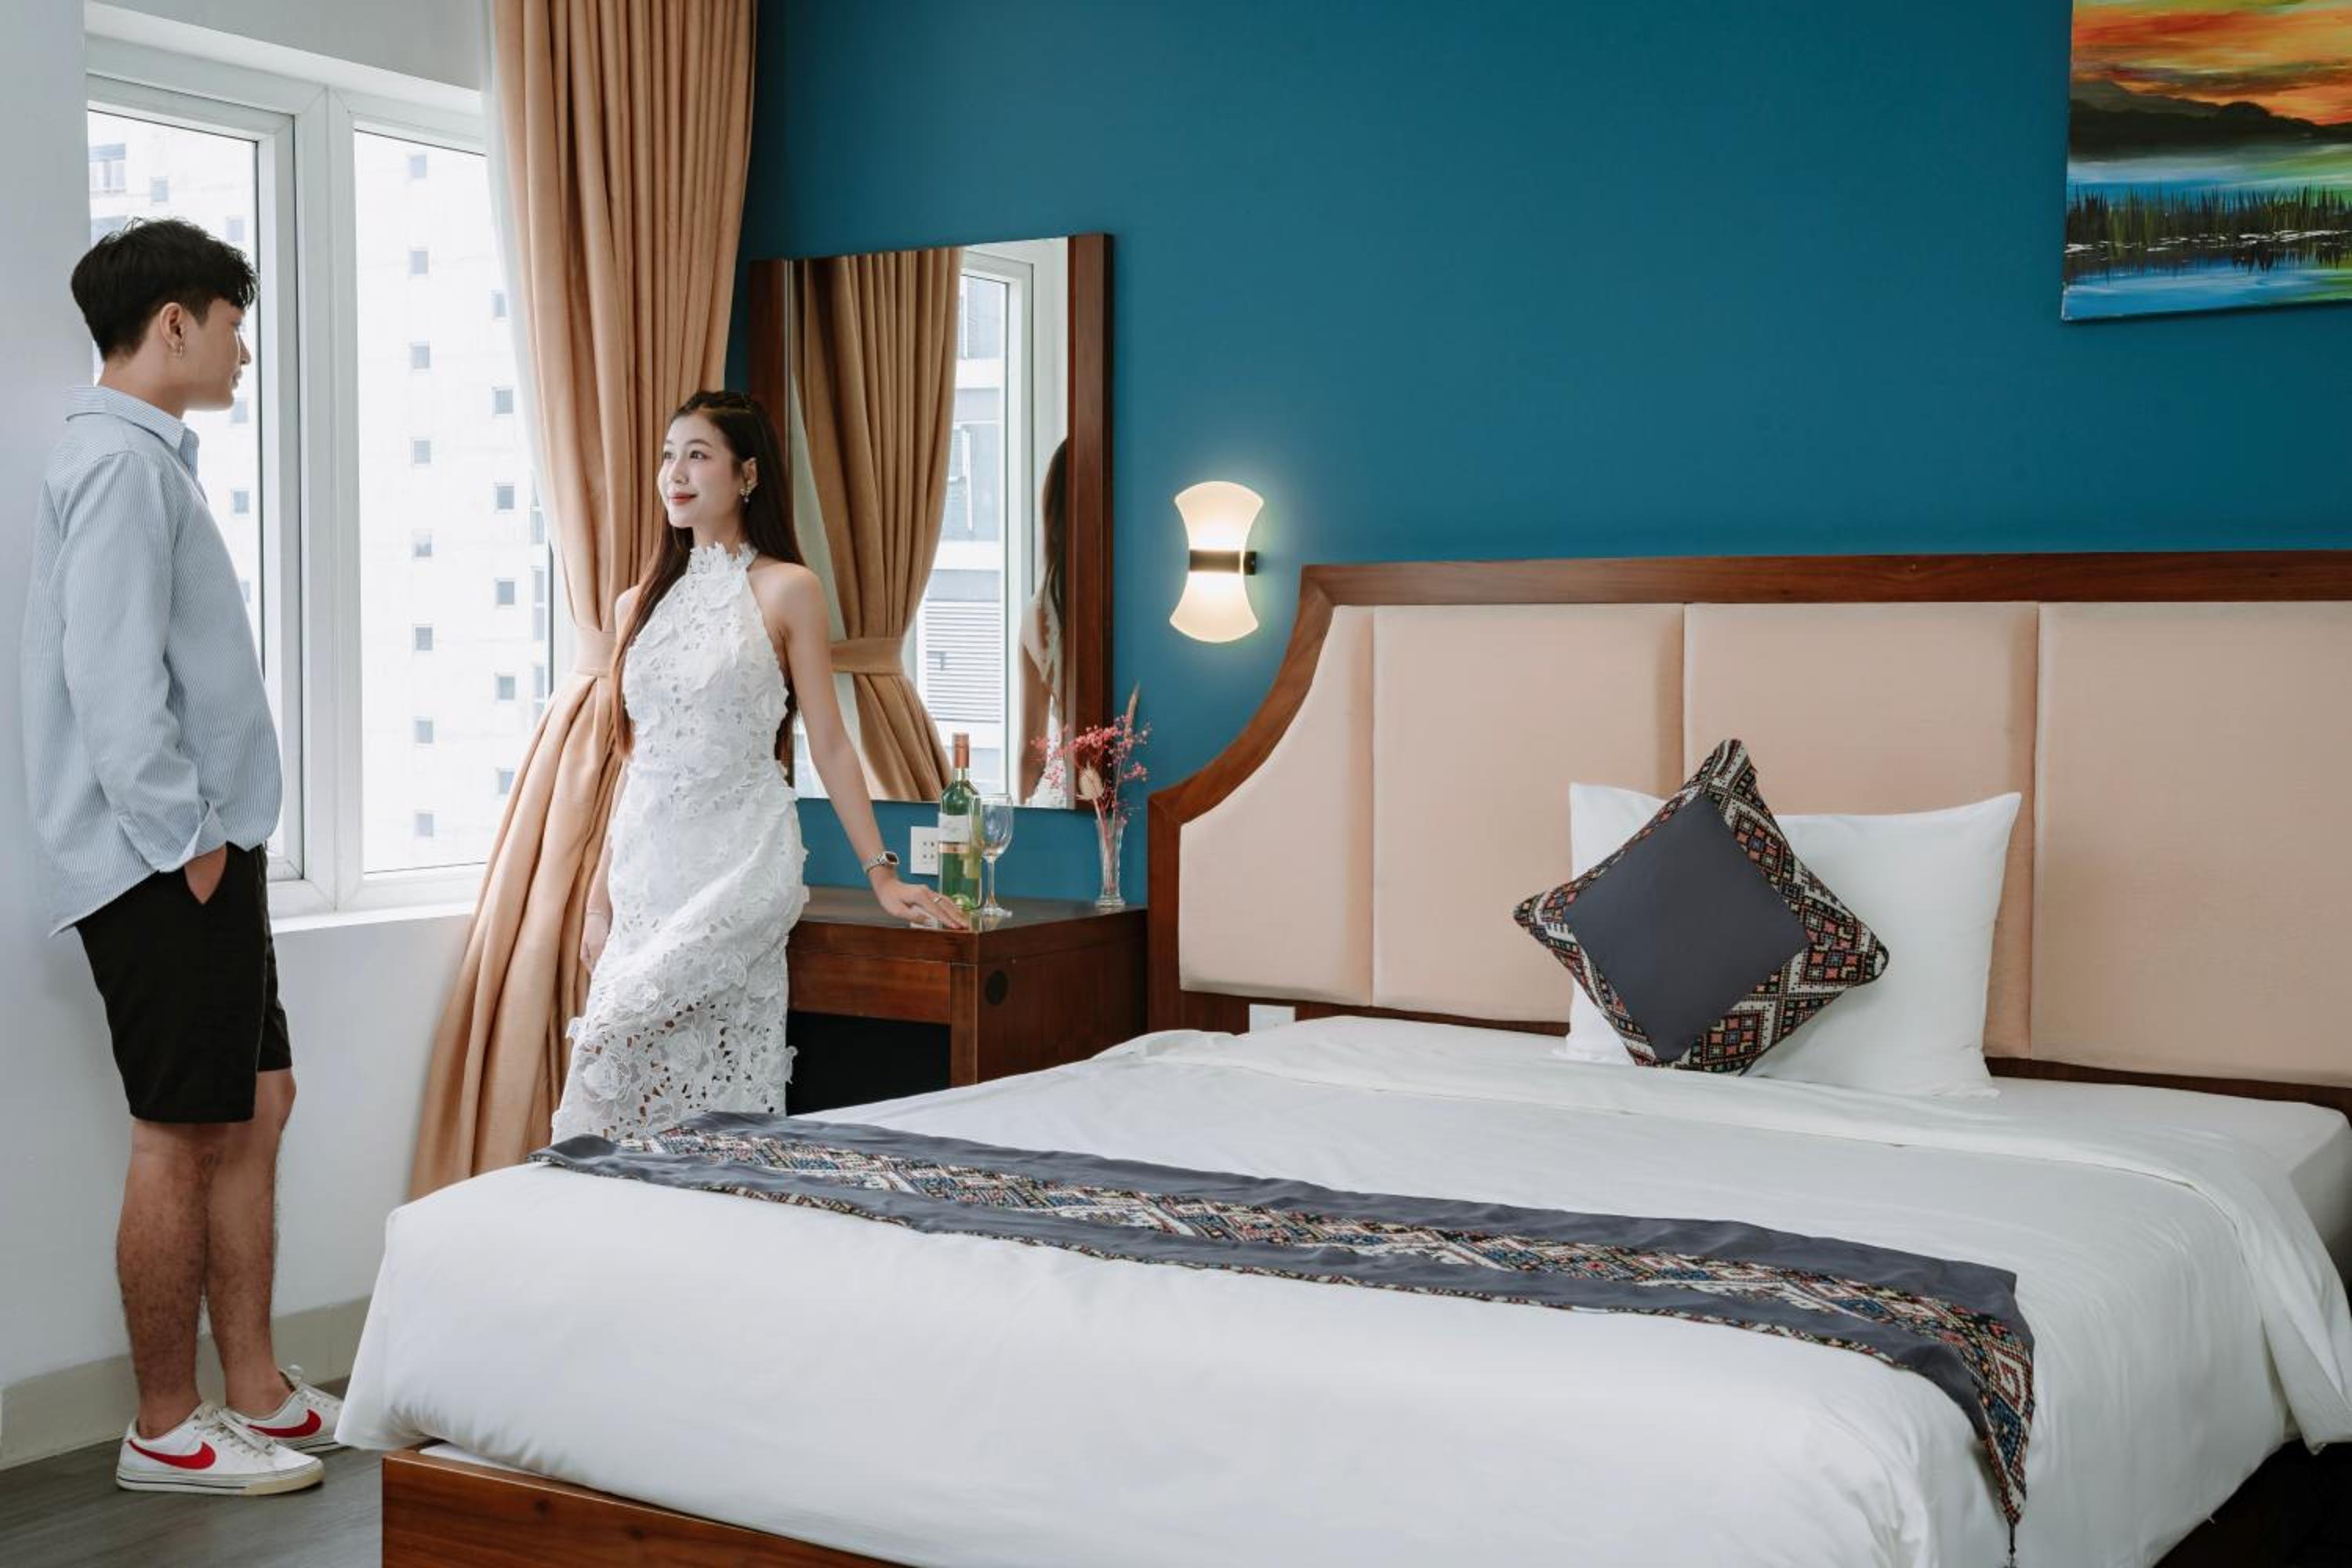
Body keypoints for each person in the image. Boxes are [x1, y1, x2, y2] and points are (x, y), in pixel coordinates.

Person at [23, 218, 336, 1498]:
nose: (242, 351)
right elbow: (108, 682)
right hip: (167, 860)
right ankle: (164, 1425)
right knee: (180, 1135)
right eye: (231, 325)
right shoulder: (118, 466)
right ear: (174, 324)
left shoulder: (146, 460)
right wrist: (188, 844)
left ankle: (253, 1389)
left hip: (209, 849)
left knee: (260, 1102)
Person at [549, 390, 967, 1142]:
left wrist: (882, 875)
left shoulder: (788, 589)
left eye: (697, 455)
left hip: (741, 861)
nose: (675, 474)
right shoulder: (634, 605)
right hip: (646, 876)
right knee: (632, 1100)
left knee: (613, 1047)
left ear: (747, 475)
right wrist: (598, 901)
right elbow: (637, 761)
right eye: (668, 456)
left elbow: (830, 743)